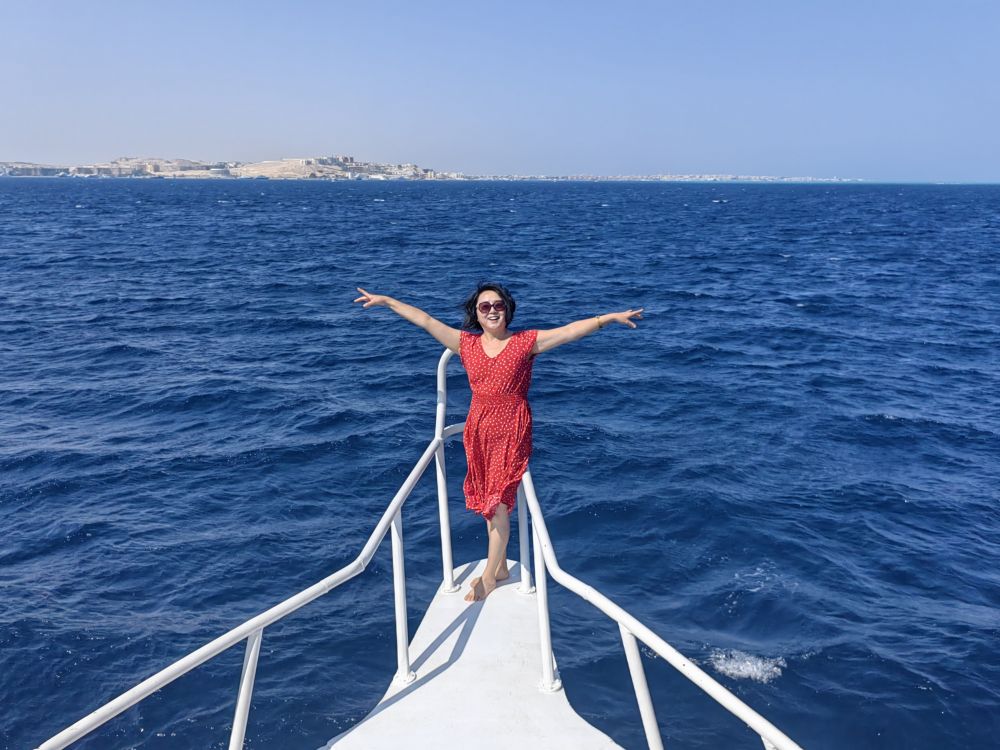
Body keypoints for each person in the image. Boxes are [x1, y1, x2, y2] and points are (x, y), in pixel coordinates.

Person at [354, 283, 642, 602]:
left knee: (498, 502)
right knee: (487, 500)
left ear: (507, 310)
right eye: (485, 306)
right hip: (478, 430)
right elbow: (425, 320)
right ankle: (502, 566)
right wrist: (387, 301)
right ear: (476, 314)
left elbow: (569, 331)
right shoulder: (465, 344)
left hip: (512, 429)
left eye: (498, 305)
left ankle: (489, 576)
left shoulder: (525, 342)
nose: (492, 310)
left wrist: (608, 318)